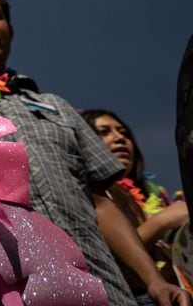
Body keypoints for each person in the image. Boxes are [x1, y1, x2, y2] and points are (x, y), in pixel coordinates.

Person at [0, 0, 190, 306]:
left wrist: (153, 281)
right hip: (14, 292)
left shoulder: (57, 106)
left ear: (9, 28)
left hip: (108, 289)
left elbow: (100, 202)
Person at [84, 109, 189, 303]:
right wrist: (163, 221)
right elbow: (104, 257)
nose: (119, 138)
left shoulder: (156, 195)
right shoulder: (90, 193)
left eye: (124, 133)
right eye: (104, 132)